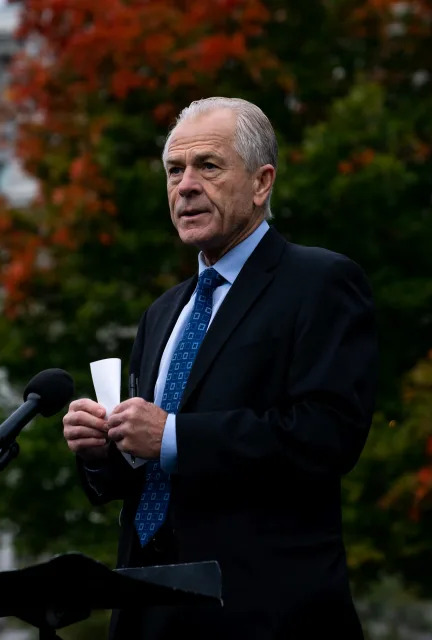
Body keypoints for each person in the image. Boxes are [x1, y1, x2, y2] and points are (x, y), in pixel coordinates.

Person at [62, 97, 378, 639]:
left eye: (208, 166)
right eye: (174, 171)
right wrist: (102, 452)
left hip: (261, 611)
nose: (185, 185)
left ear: (261, 183)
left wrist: (172, 434)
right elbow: (147, 470)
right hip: (145, 608)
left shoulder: (319, 282)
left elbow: (327, 435)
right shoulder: (163, 312)